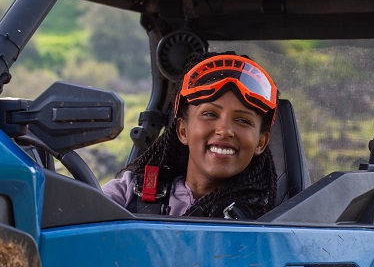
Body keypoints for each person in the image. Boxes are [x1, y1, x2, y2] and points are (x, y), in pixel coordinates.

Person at [102, 53, 279, 219]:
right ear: (183, 131)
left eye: (243, 120)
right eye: (210, 114)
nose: (224, 130)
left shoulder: (271, 219)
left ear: (261, 142)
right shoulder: (128, 193)